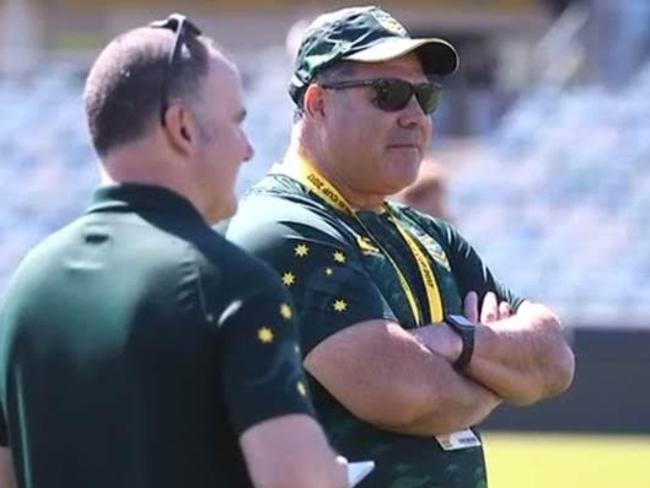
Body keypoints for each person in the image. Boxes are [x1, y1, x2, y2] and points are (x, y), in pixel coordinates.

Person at [227, 6, 575, 487]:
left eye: (425, 96)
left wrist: (460, 340)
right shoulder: (283, 227)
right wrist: (496, 376)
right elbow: (405, 393)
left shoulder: (428, 233)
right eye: (388, 95)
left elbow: (554, 359)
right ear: (318, 103)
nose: (414, 116)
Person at [0, 13, 347, 488]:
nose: (248, 149)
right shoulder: (229, 283)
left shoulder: (24, 289)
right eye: (236, 123)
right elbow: (295, 481)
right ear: (182, 127)